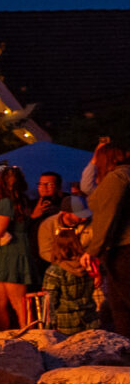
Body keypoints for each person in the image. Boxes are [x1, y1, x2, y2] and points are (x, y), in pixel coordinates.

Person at [0, 164, 35, 330]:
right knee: (3, 300)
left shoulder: (5, 203)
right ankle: (15, 334)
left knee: (15, 302)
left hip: (8, 252)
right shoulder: (24, 201)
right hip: (17, 249)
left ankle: (27, 335)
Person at [84, 140, 130, 335]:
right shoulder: (125, 175)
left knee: (122, 306)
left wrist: (93, 250)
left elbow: (106, 216)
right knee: (118, 305)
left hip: (123, 249)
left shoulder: (116, 178)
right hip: (121, 248)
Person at [43, 226, 99, 337]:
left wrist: (48, 327)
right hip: (90, 320)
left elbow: (49, 301)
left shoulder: (55, 271)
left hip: (66, 326)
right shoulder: (87, 265)